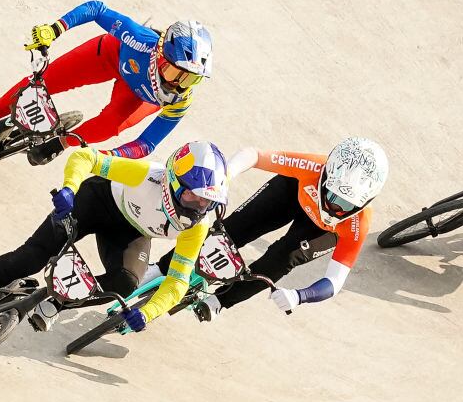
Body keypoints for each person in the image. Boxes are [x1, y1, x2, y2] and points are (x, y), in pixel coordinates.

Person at [0, 141, 229, 334]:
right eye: (194, 197)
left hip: (129, 233)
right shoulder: (145, 175)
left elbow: (177, 283)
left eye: (208, 202)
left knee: (125, 284)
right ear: (172, 182)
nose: (200, 207)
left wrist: (147, 313)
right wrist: (69, 187)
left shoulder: (196, 226)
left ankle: (57, 302)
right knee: (32, 256)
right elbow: (86, 158)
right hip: (97, 201)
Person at [153, 137, 388, 322]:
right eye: (332, 193)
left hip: (323, 230)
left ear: (365, 202)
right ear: (326, 174)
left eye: (346, 204)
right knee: (235, 228)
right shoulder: (312, 166)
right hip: (292, 193)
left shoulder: (358, 224)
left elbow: (334, 281)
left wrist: (299, 296)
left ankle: (220, 302)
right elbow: (253, 155)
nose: (334, 206)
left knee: (281, 259)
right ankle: (160, 268)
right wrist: (225, 178)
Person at [0, 0, 213, 164]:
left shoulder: (181, 100)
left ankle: (61, 142)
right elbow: (97, 9)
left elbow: (146, 144)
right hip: (113, 54)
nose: (178, 84)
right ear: (160, 55)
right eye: (175, 73)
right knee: (45, 80)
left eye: (190, 78)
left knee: (109, 126)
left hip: (137, 96)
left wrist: (106, 159)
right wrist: (55, 29)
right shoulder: (139, 40)